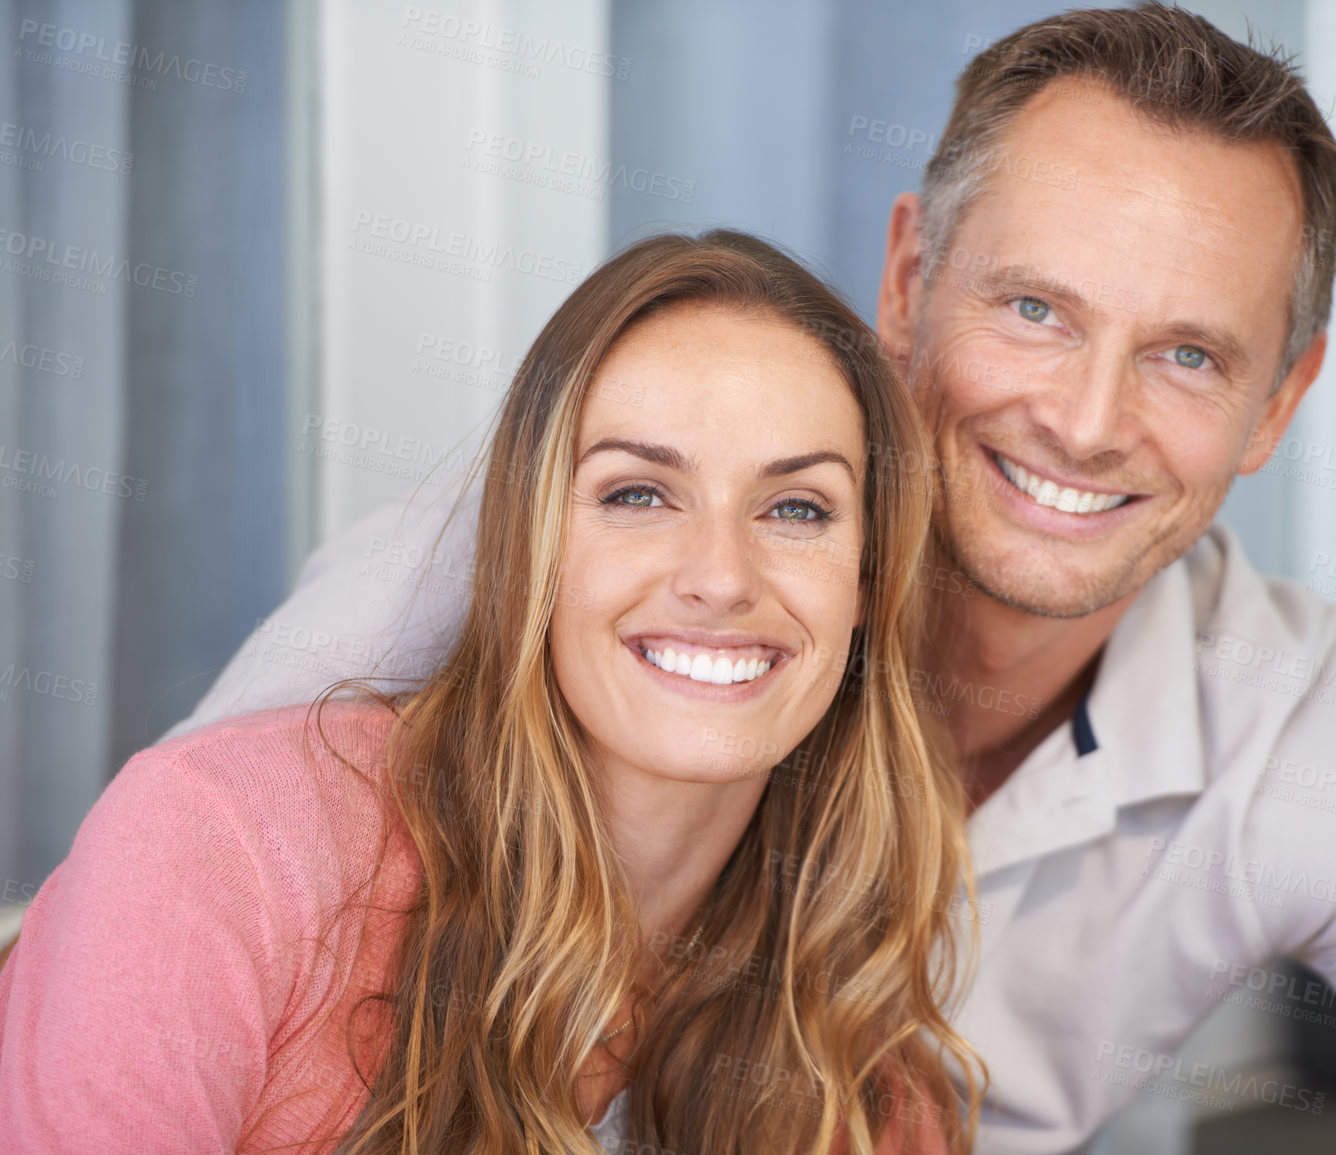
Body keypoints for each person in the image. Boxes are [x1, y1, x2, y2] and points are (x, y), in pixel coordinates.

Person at [77, 5, 1336, 1153]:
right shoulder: (532, 551)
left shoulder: (1269, 745)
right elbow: (155, 931)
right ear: (908, 277)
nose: (1085, 421)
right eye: (1034, 311)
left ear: (1275, 408)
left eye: (1183, 354)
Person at [0, 231, 984, 1153]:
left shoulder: (871, 1096)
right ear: (529, 547)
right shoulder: (223, 847)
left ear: (864, 585)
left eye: (796, 507)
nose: (720, 577)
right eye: (636, 494)